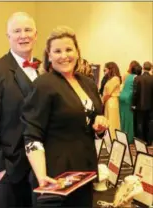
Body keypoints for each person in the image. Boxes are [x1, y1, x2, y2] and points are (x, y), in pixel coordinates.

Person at [21, 26, 109, 207]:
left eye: (69, 49)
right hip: (56, 175)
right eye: (57, 51)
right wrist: (41, 175)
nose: (64, 55)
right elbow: (32, 134)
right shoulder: (44, 84)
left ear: (77, 52)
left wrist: (100, 126)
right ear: (49, 56)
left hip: (84, 171)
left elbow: (90, 122)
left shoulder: (88, 83)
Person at [0, 12, 42, 208]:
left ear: (36, 35)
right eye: (17, 31)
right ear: (8, 36)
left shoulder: (43, 71)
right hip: (10, 169)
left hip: (40, 166)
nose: (23, 35)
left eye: (28, 30)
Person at [119, 64, 142, 144]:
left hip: (122, 97)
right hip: (129, 98)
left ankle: (121, 136)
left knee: (122, 118)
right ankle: (129, 138)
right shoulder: (136, 77)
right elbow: (135, 90)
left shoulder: (128, 76)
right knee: (129, 119)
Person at [132, 61, 153, 146]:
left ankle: (140, 142)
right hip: (151, 106)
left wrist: (133, 104)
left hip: (139, 105)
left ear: (143, 68)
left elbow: (135, 93)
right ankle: (148, 142)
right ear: (151, 68)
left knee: (139, 124)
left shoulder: (137, 78)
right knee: (149, 124)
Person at [102, 62, 121, 139]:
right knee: (109, 120)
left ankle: (112, 138)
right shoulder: (111, 79)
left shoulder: (115, 78)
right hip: (110, 101)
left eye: (105, 69)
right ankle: (108, 138)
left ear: (110, 69)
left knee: (112, 121)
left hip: (111, 102)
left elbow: (108, 93)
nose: (104, 71)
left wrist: (102, 102)